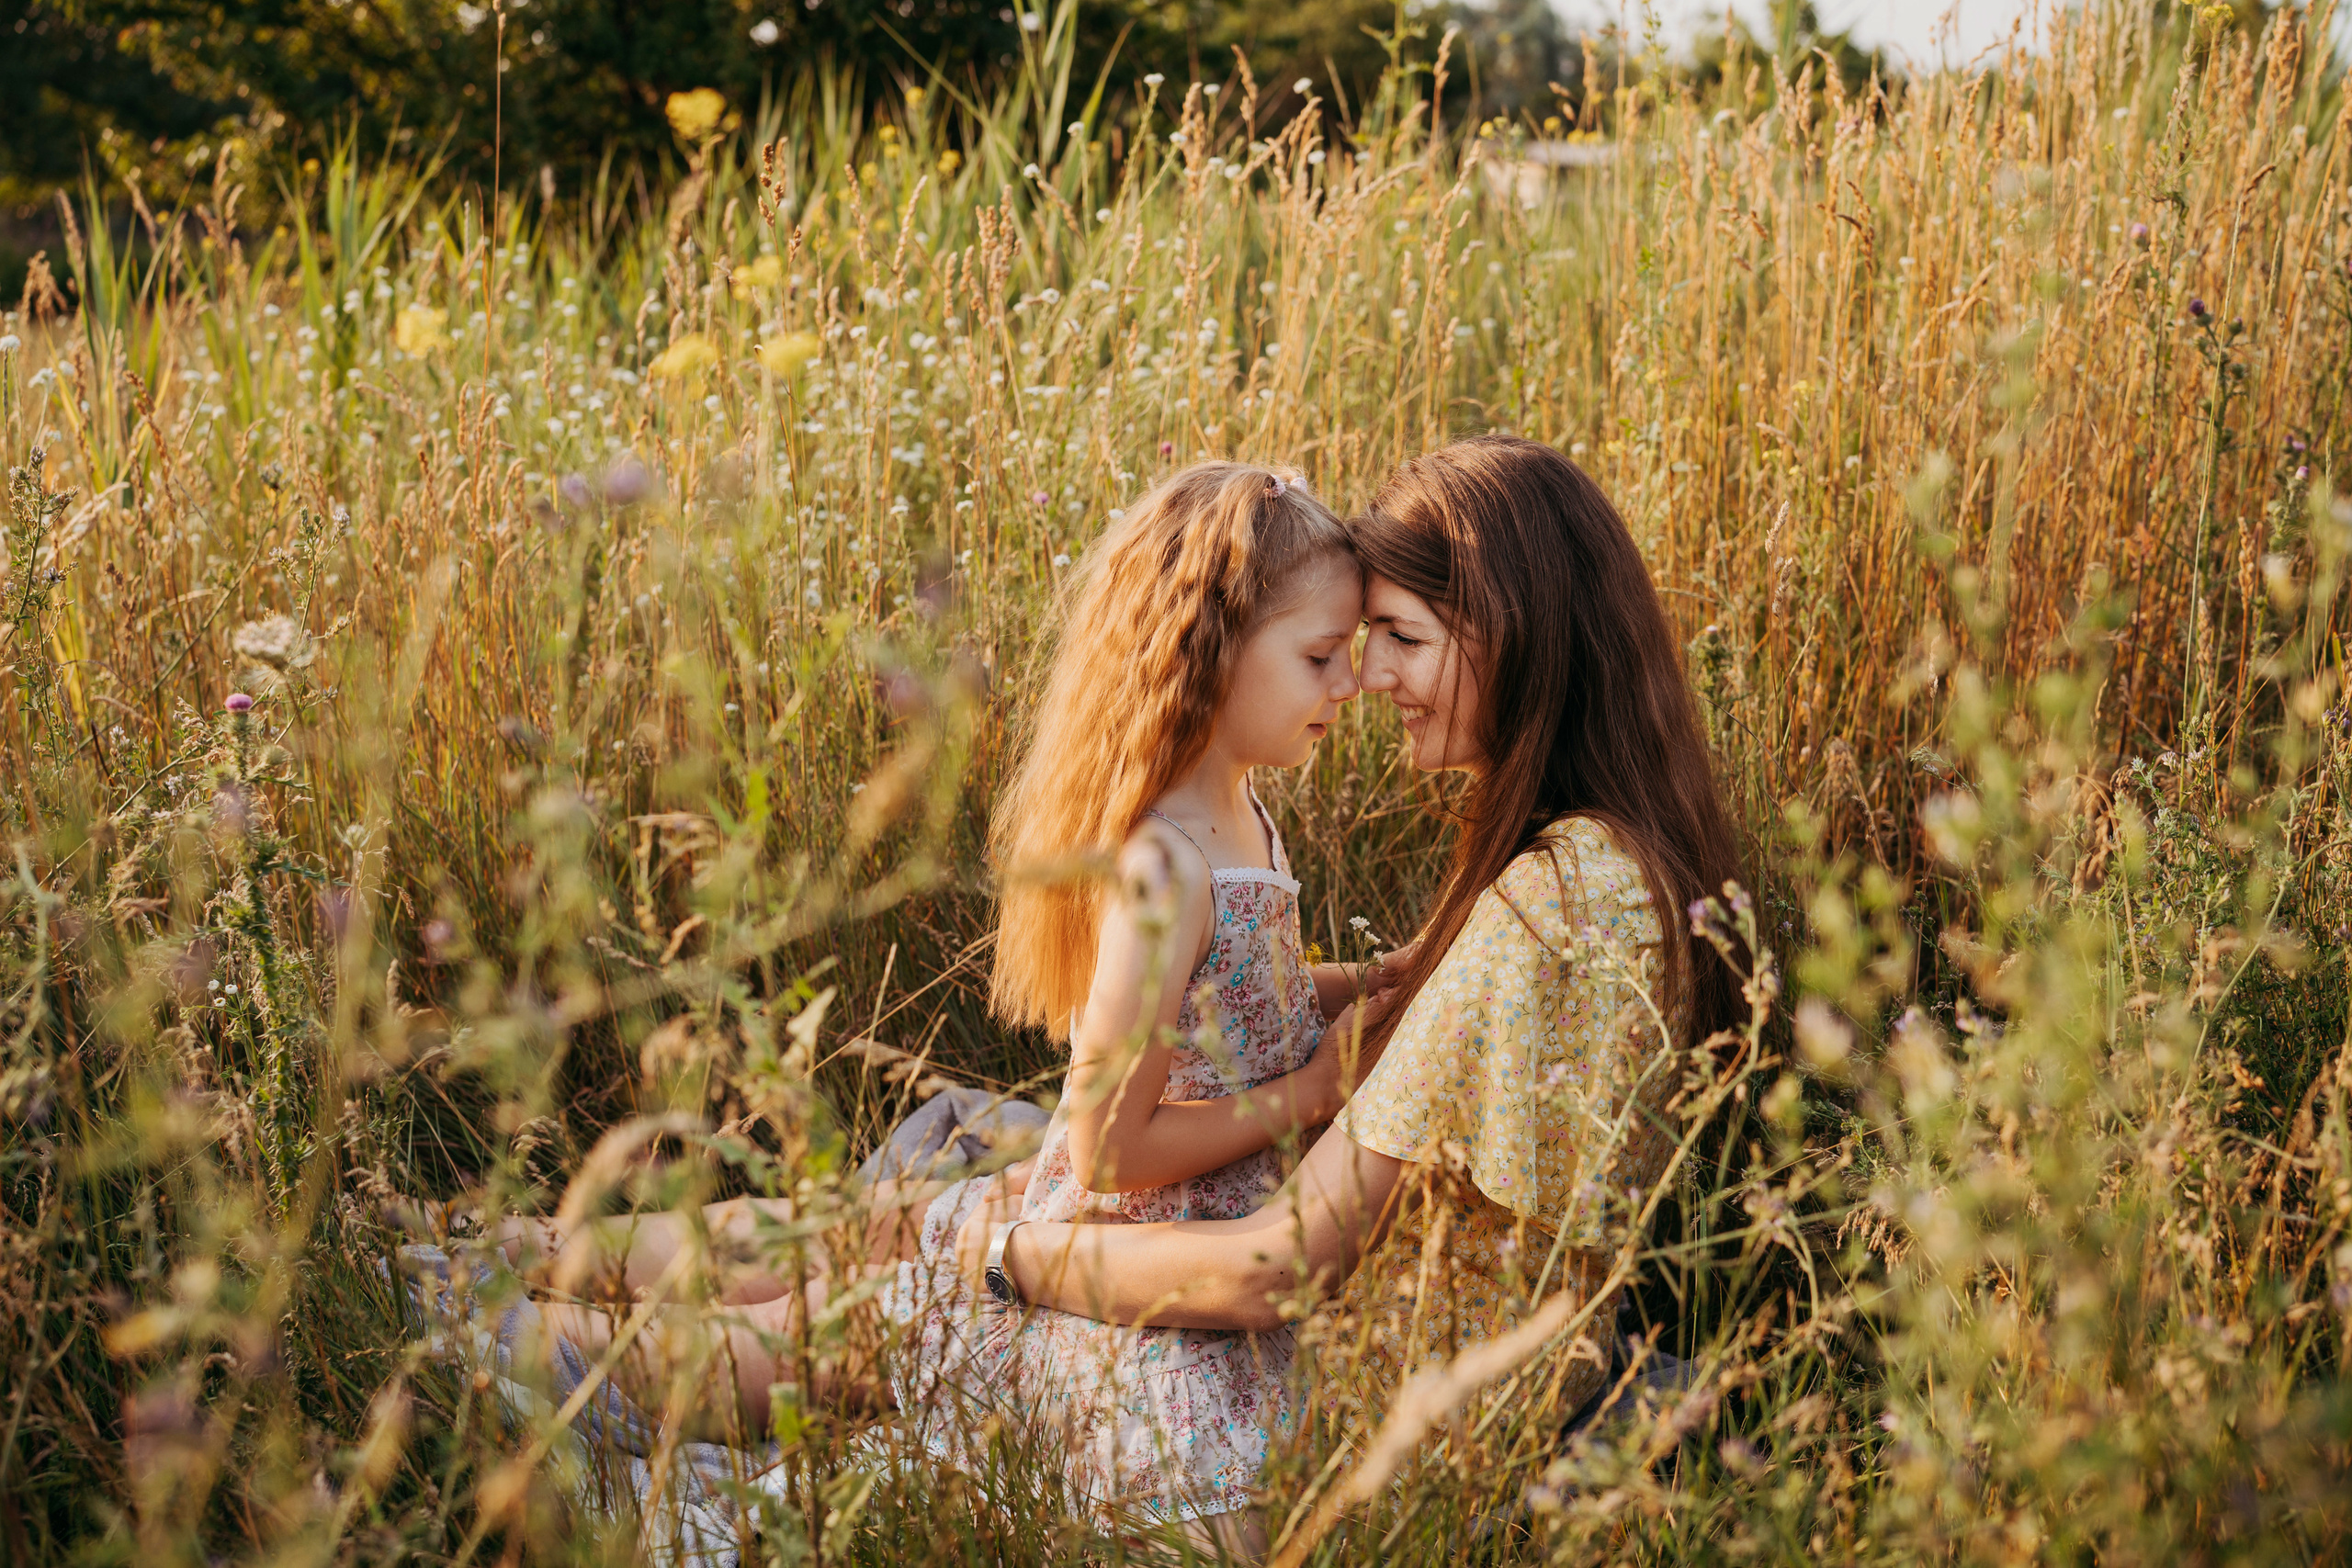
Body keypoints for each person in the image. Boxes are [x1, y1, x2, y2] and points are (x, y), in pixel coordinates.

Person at [953, 434, 1746, 1499]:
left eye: (1401, 639)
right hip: (1373, 1345)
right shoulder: (1605, 864)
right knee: (918, 1205)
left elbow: (1270, 1265)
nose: (1369, 679)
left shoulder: (1548, 910)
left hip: (1346, 1404)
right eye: (1350, 645)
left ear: (1520, 636)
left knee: (915, 1274)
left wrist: (1013, 1258)